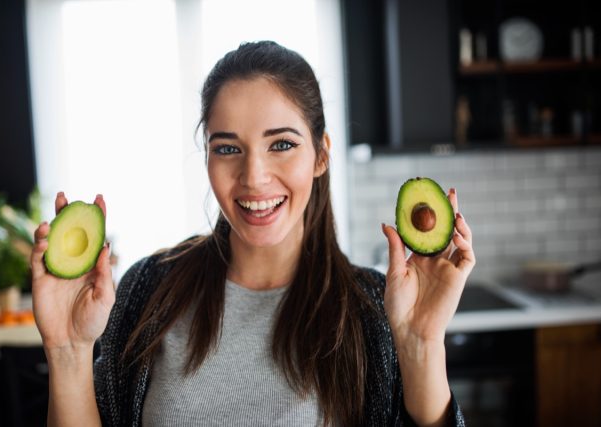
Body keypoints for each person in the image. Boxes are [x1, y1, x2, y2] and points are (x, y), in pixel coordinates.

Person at [31, 41, 473, 426]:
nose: (253, 177)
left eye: (281, 144)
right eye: (227, 149)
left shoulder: (373, 308)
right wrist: (68, 350)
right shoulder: (149, 290)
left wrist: (419, 345)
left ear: (321, 155)